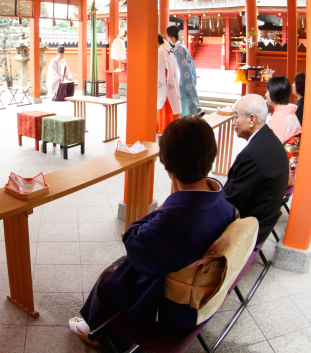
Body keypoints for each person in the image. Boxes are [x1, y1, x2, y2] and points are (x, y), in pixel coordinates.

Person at [70, 116, 237, 349]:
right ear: (212, 155)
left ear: (165, 162)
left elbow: (132, 240)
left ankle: (100, 332)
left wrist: (162, 209)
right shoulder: (226, 207)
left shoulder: (172, 220)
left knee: (111, 276)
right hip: (203, 293)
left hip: (171, 307)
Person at [224, 94, 289, 245]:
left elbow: (230, 202)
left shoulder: (251, 156)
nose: (233, 122)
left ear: (251, 119)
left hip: (251, 229)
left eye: (236, 117)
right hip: (266, 219)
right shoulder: (270, 138)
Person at [166, 25, 205, 118]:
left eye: (169, 38)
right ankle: (197, 111)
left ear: (173, 38)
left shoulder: (178, 49)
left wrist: (178, 80)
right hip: (188, 76)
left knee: (185, 104)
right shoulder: (182, 46)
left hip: (183, 78)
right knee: (190, 99)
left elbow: (180, 67)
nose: (169, 40)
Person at [265, 76, 301, 143]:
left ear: (273, 92)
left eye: (267, 91)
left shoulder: (280, 118)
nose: (265, 94)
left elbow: (273, 144)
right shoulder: (289, 114)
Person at [157, 34, 181, 133]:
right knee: (170, 104)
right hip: (170, 80)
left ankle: (164, 126)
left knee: (164, 104)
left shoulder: (161, 51)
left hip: (164, 80)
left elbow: (159, 69)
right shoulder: (166, 48)